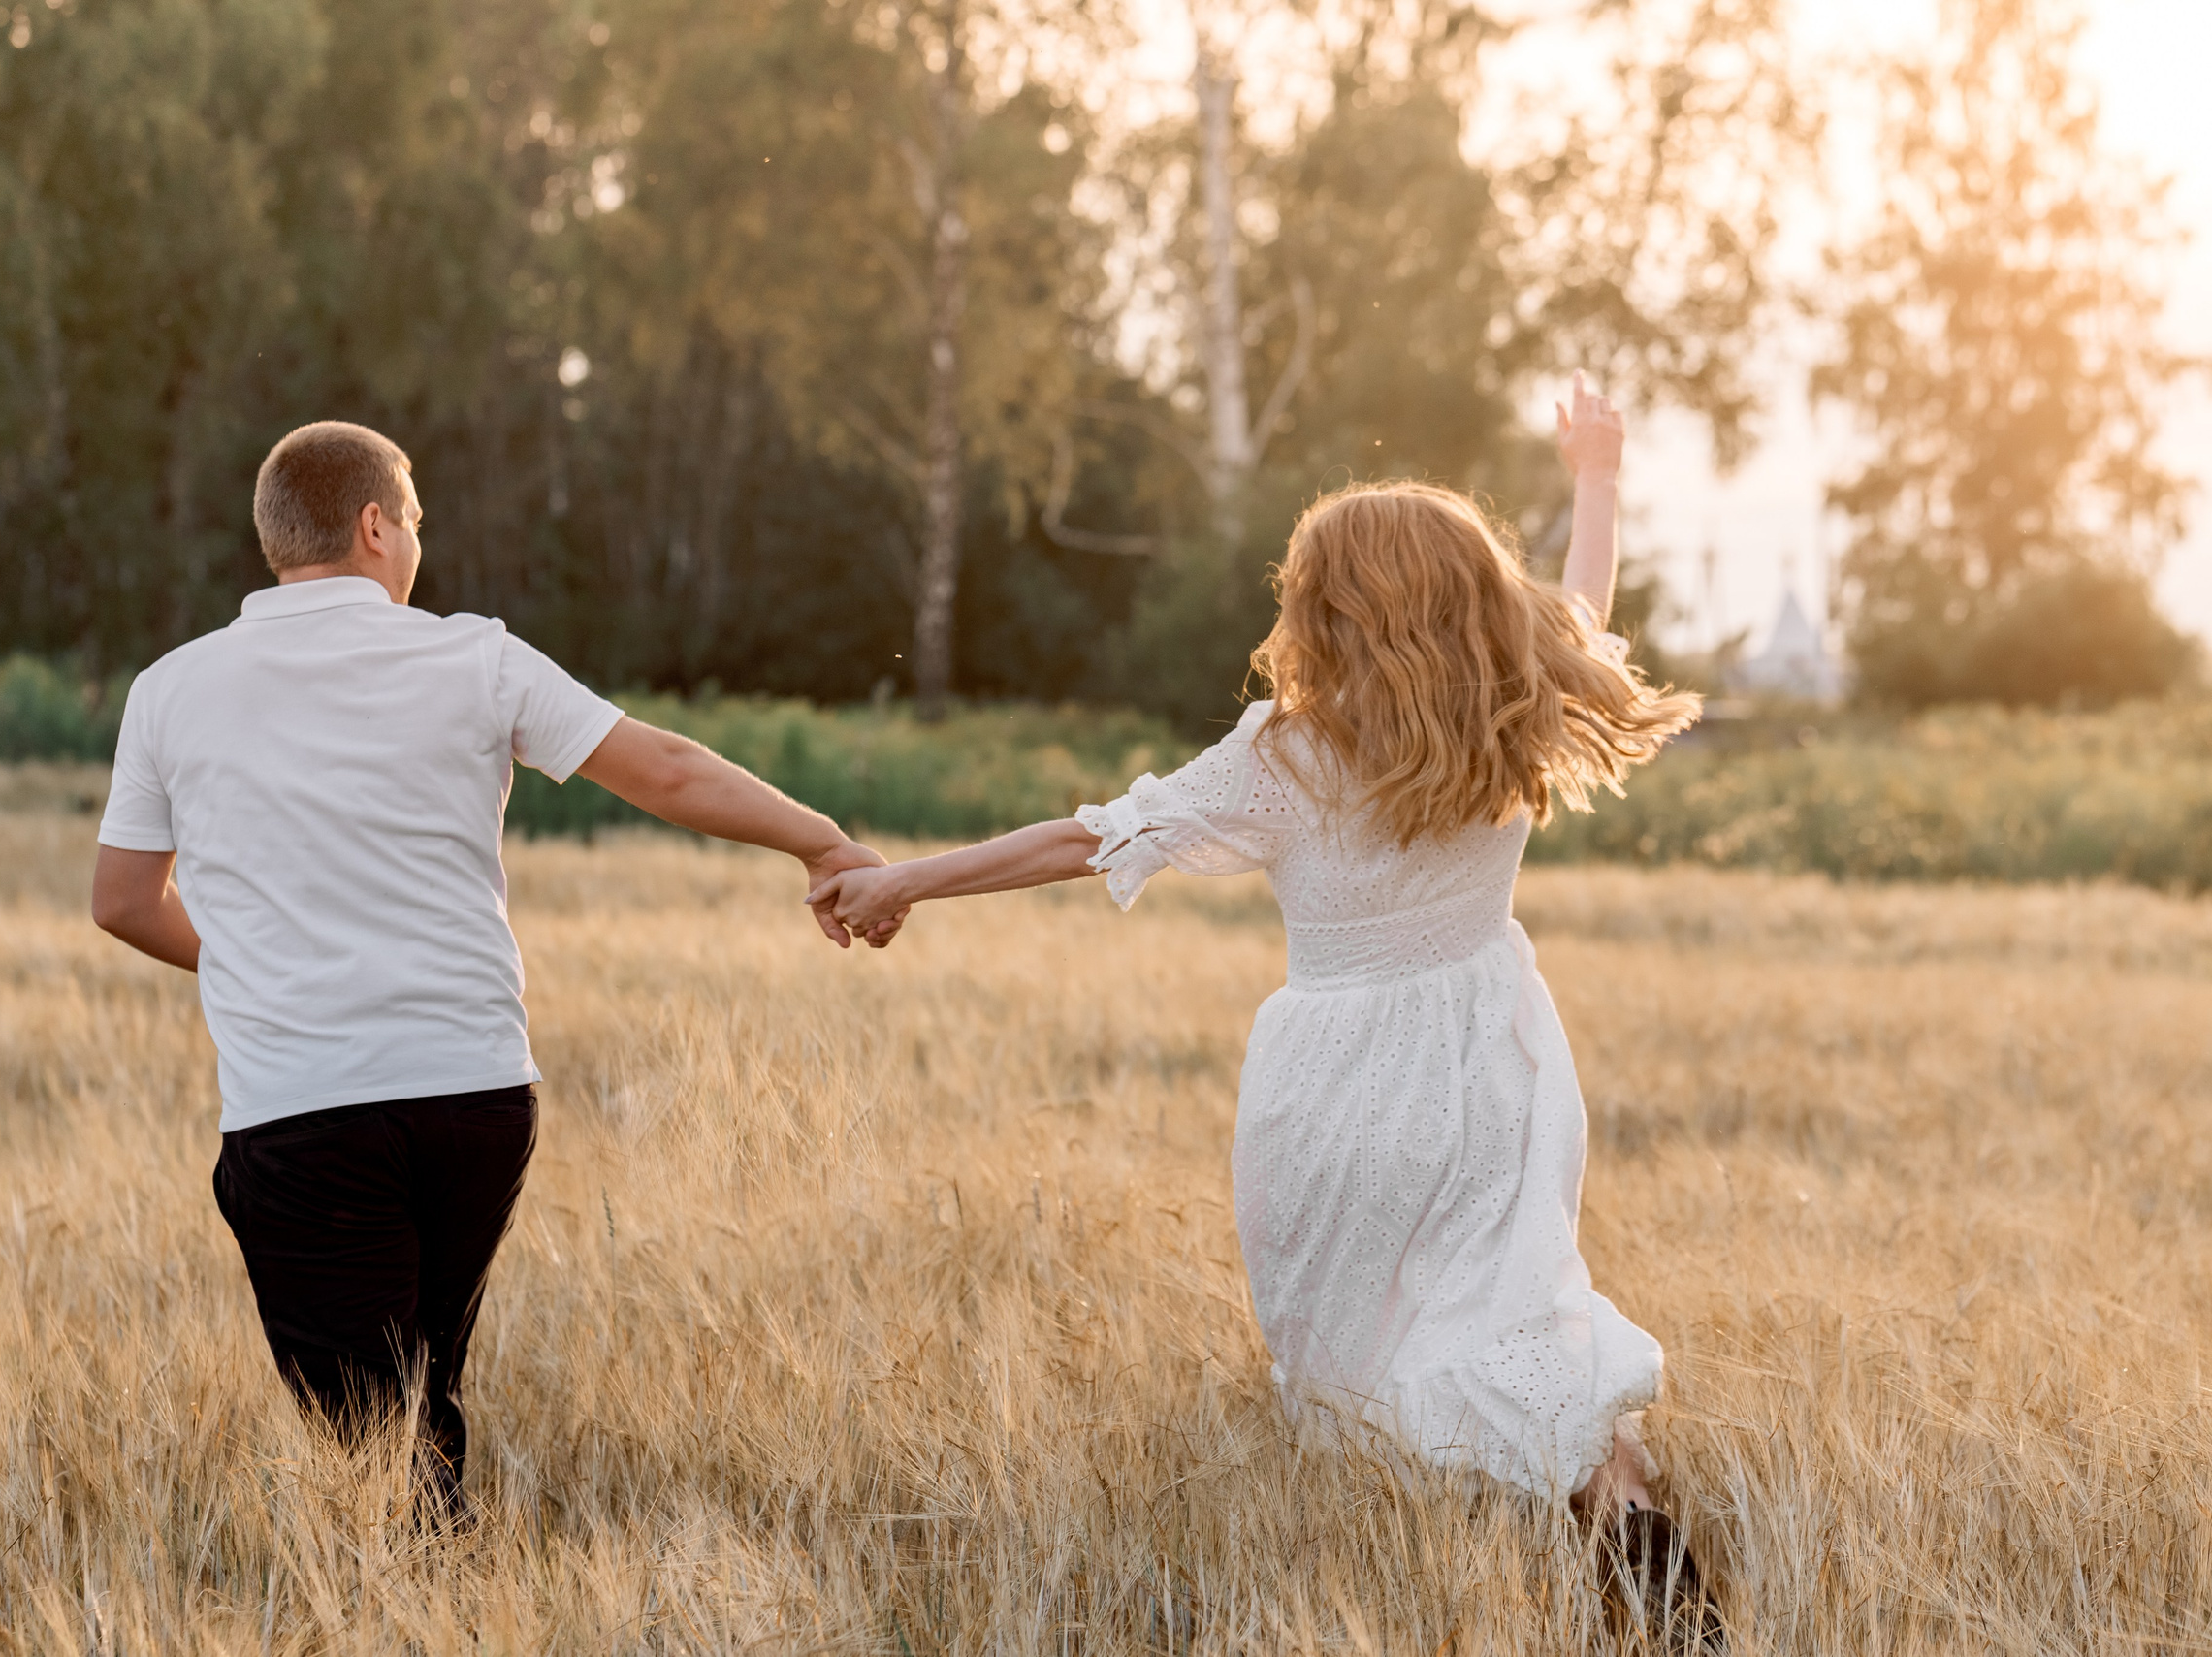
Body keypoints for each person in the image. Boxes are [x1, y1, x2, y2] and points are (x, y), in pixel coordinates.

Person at [808, 377, 1717, 1639]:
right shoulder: (1515, 702)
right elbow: (1585, 605)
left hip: (1340, 1081)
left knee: (1360, 1357)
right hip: (1493, 1060)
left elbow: (1089, 837)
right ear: (1472, 595)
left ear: (1325, 607)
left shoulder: (1287, 755)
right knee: (1517, 1310)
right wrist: (1597, 478)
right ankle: (1633, 1553)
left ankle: (1476, 1574)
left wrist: (907, 876)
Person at [90, 420, 899, 1521]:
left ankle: (431, 1600)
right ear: (374, 525)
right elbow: (664, 767)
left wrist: (255, 961)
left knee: (373, 1447)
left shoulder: (171, 688)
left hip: (304, 1112)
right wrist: (822, 840)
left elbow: (124, 900)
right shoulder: (476, 655)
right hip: (474, 1099)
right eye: (414, 520)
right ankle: (448, 1590)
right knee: (417, 1401)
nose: (418, 541)